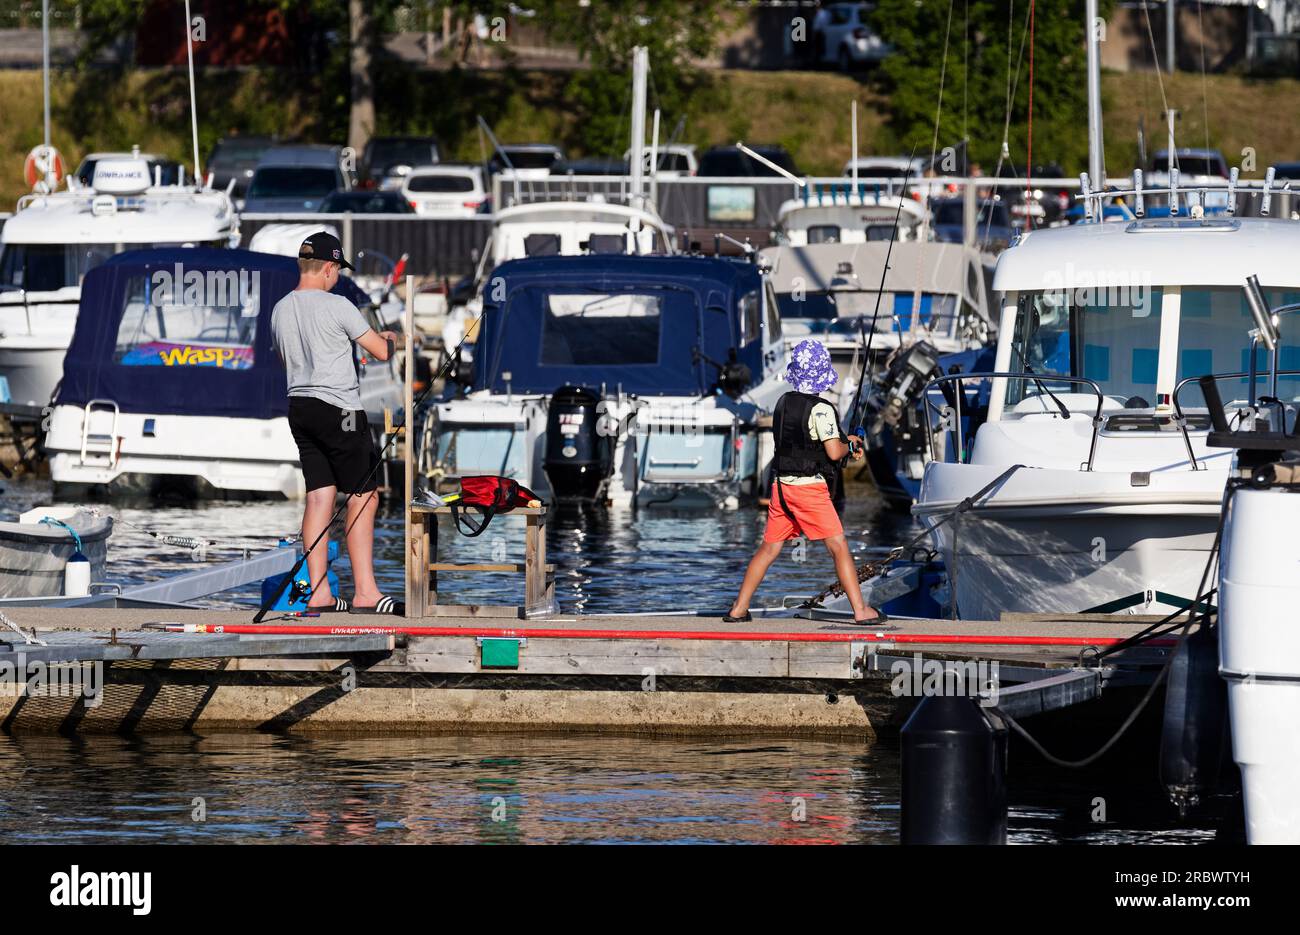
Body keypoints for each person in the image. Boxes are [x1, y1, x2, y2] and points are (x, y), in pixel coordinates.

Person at [270, 231, 403, 615]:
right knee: (364, 496)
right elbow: (379, 352)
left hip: (300, 407)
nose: (337, 277)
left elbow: (286, 363)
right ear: (329, 267)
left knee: (319, 497)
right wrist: (392, 338)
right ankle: (366, 593)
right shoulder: (338, 304)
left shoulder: (279, 310)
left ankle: (320, 593)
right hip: (340, 410)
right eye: (337, 271)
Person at [725, 339, 884, 625]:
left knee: (769, 548)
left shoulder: (783, 402)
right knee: (838, 546)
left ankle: (738, 608)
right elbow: (833, 451)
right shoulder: (822, 409)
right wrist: (850, 447)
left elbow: (804, 440)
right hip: (809, 490)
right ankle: (861, 611)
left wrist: (847, 439)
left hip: (781, 488)